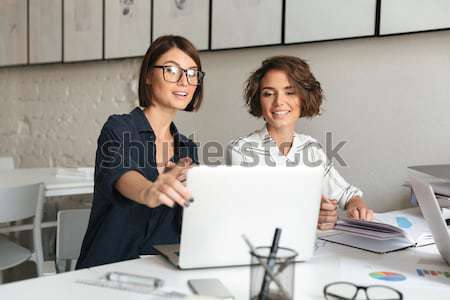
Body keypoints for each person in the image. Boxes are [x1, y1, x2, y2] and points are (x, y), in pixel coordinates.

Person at [76, 35, 205, 268]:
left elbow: (189, 220)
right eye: (172, 70)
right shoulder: (118, 128)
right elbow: (122, 175)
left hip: (163, 269)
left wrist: (203, 191)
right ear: (148, 75)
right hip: (109, 267)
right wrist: (150, 191)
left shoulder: (187, 149)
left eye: (192, 73)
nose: (184, 81)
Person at [227, 55, 373, 230]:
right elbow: (248, 213)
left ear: (303, 98)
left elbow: (347, 194)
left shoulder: (311, 149)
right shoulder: (240, 150)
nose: (279, 101)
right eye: (268, 93)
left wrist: (356, 206)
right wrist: (312, 214)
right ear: (259, 100)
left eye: (290, 92)